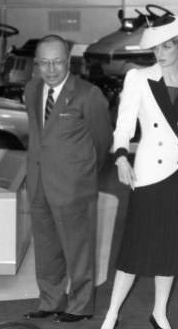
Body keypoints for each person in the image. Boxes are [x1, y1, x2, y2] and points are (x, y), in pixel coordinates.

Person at [101, 15, 178, 329]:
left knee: (173, 248)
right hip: (148, 173)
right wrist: (121, 157)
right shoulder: (137, 78)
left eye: (166, 47)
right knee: (136, 247)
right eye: (157, 48)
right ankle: (112, 313)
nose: (160, 53)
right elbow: (123, 126)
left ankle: (159, 312)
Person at [23, 35, 112, 323]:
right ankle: (50, 300)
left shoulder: (88, 94)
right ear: (36, 64)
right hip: (38, 183)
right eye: (44, 63)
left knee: (79, 250)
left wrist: (83, 173)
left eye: (57, 62)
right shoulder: (32, 89)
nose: (51, 69)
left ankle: (80, 305)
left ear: (69, 61)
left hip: (74, 186)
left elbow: (101, 140)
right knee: (47, 248)